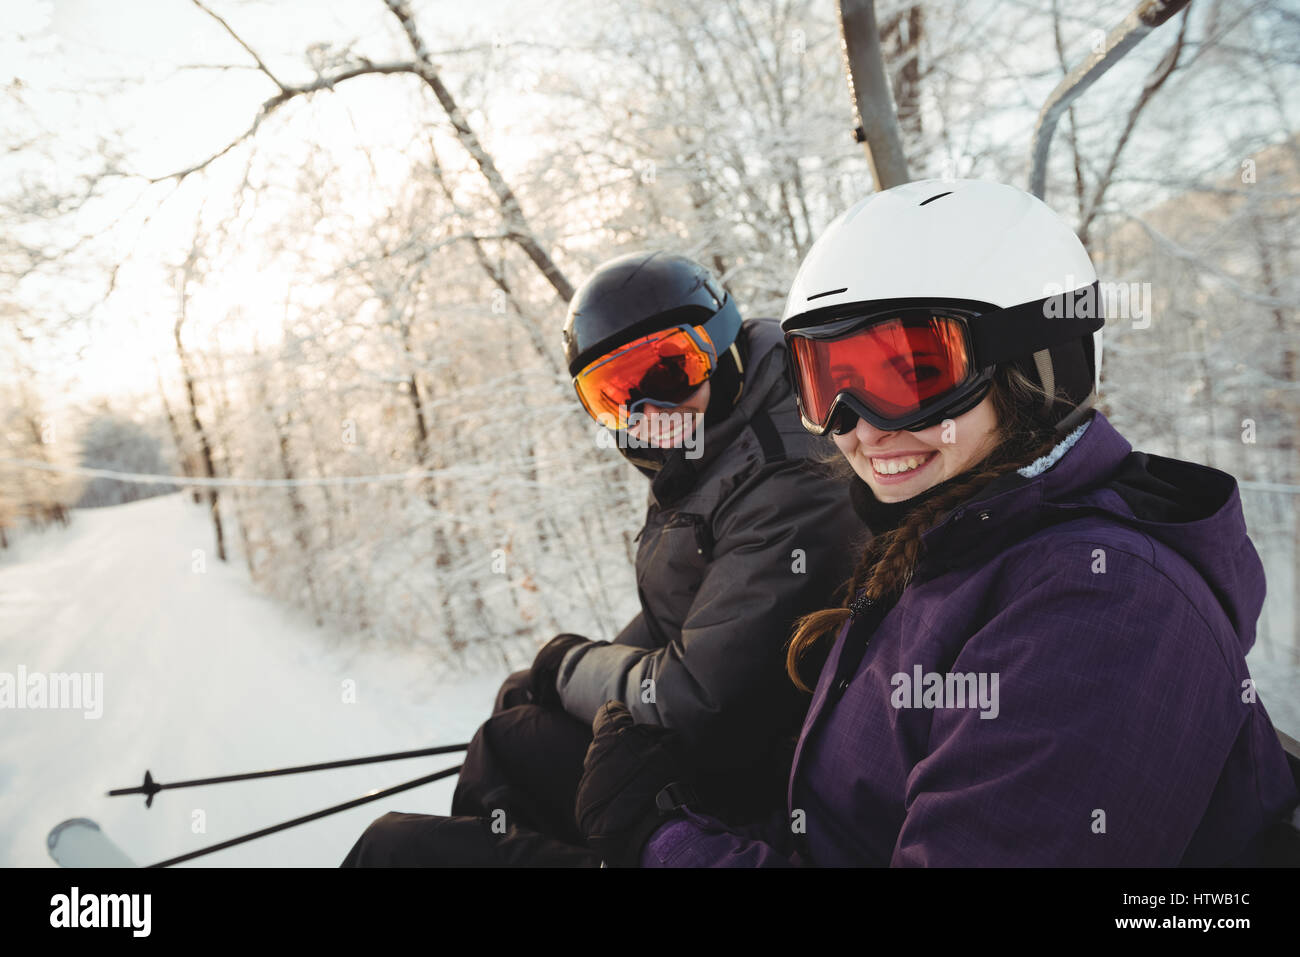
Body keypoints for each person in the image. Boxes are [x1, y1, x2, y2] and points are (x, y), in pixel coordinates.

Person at [572, 179, 1300, 867]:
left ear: (1036, 363)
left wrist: (663, 841)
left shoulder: (1103, 610)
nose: (856, 429)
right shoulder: (943, 539)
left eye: (910, 375)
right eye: (827, 383)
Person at [341, 251, 861, 865]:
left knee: (418, 831)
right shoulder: (719, 433)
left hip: (761, 771)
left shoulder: (787, 477)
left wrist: (569, 671)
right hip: (734, 737)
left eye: (669, 372)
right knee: (514, 734)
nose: (648, 413)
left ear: (722, 349)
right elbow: (694, 618)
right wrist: (568, 686)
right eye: (614, 393)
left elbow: (703, 700)